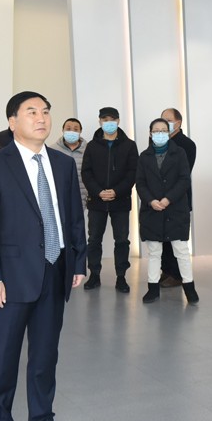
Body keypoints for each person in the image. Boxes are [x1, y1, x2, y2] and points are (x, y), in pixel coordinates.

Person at [0, 91, 86, 421]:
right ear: (12, 121)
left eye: (46, 112)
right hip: (10, 277)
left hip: (54, 270)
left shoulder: (63, 164)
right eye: (31, 112)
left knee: (45, 355)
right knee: (2, 358)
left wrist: (78, 261)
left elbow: (73, 217)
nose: (41, 118)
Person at [136, 118, 197, 304]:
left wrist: (168, 199)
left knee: (181, 251)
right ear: (150, 133)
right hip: (152, 211)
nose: (160, 133)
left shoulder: (180, 153)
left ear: (169, 133)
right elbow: (140, 183)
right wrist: (151, 200)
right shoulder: (144, 156)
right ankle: (152, 289)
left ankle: (189, 288)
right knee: (154, 253)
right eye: (156, 131)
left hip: (176, 209)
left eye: (163, 130)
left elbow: (184, 179)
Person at [81, 106, 138, 293]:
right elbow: (86, 173)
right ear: (100, 122)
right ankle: (94, 275)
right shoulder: (92, 146)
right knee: (93, 240)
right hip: (96, 201)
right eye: (105, 120)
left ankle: (121, 277)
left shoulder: (129, 145)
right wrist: (98, 192)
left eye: (112, 119)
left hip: (120, 201)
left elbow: (132, 172)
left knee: (121, 240)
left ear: (118, 121)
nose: (109, 123)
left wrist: (116, 191)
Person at [159, 107, 197, 288]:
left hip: (178, 199)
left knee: (177, 239)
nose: (164, 123)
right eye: (162, 119)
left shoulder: (187, 144)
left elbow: (183, 174)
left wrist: (168, 195)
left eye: (168, 120)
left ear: (178, 122)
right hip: (158, 200)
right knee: (162, 239)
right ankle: (166, 271)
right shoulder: (157, 141)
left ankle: (177, 274)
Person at [53, 118, 88, 216]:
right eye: (68, 129)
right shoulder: (52, 150)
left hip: (81, 197)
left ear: (80, 131)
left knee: (78, 223)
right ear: (63, 130)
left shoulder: (89, 150)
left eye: (76, 129)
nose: (72, 131)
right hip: (59, 197)